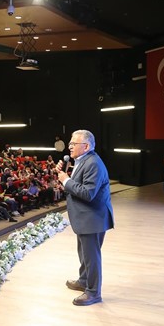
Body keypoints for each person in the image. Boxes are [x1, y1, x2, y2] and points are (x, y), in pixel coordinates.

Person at [56, 129, 114, 306]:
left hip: (93, 218)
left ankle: (93, 292)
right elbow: (78, 185)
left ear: (86, 146)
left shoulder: (93, 163)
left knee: (91, 256)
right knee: (83, 252)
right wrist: (64, 178)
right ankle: (83, 280)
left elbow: (88, 193)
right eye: (70, 143)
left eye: (74, 144)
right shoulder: (82, 161)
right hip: (85, 217)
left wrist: (66, 180)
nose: (70, 146)